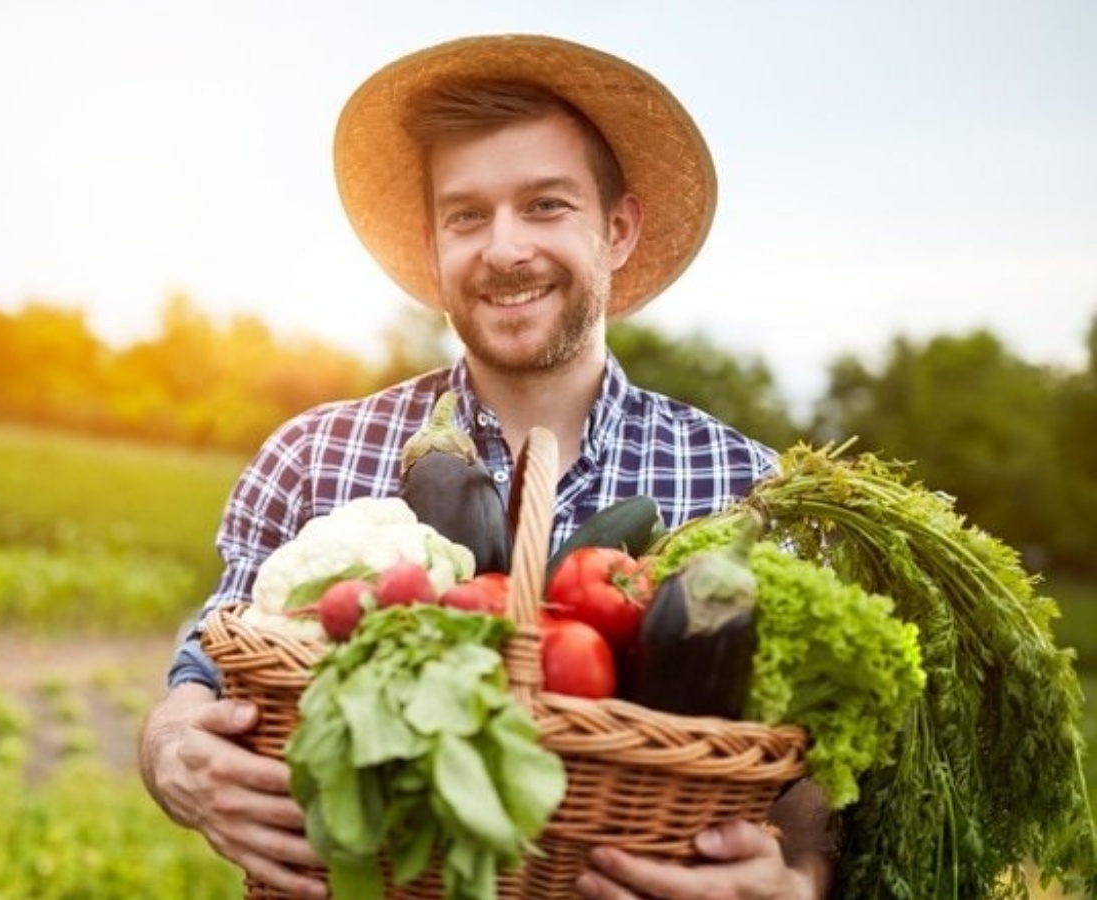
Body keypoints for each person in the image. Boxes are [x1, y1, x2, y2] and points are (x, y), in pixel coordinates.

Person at [140, 33, 838, 900]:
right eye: (466, 215)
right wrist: (172, 749)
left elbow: (817, 768)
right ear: (434, 247)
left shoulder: (747, 487)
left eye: (545, 205)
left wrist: (801, 880)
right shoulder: (312, 454)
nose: (504, 249)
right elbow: (206, 667)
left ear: (617, 230)